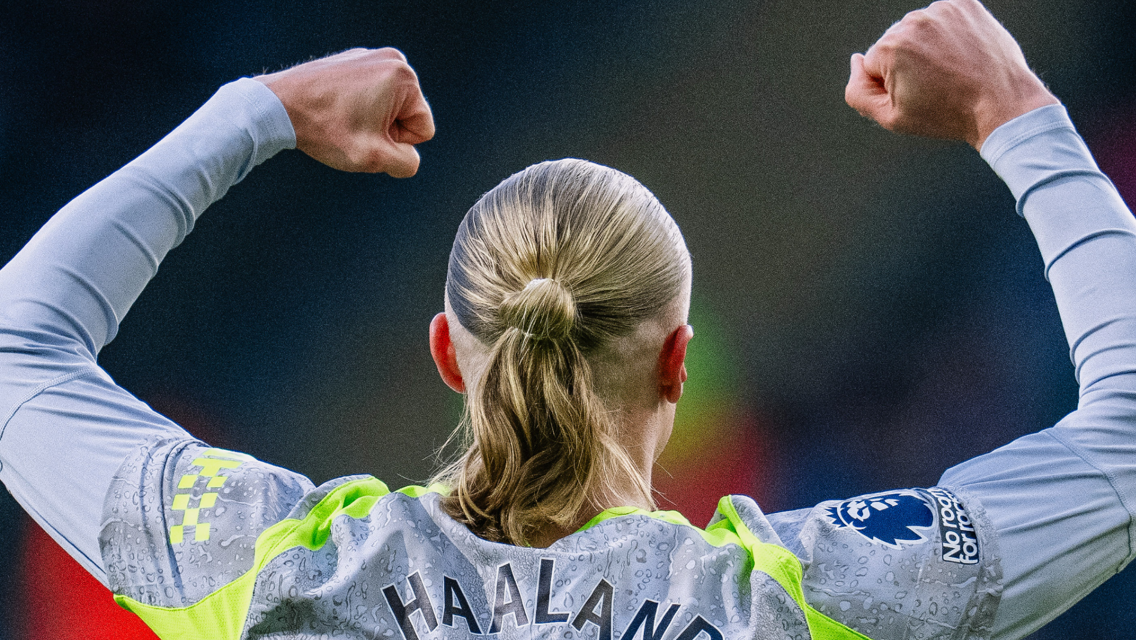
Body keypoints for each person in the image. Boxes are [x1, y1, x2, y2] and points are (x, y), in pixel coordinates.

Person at [0, 0, 1132, 638]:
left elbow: (18, 344)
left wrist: (251, 114)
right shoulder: (788, 603)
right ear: (677, 365)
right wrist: (1012, 110)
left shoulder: (278, 573)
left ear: (447, 354)